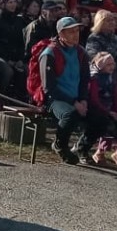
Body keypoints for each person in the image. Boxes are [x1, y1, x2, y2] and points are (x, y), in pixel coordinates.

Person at [37, 15, 88, 165]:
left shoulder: (81, 53)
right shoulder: (50, 53)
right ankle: (60, 145)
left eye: (77, 31)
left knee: (101, 118)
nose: (75, 34)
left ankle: (83, 148)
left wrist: (83, 100)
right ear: (61, 34)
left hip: (76, 97)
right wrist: (74, 103)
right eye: (71, 31)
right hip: (54, 99)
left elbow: (84, 79)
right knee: (69, 114)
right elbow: (49, 88)